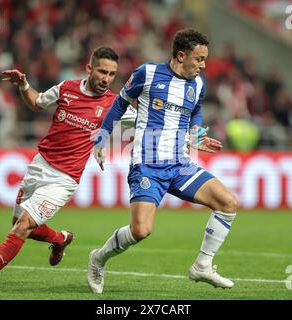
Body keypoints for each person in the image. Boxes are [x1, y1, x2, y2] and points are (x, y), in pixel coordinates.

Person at [0, 46, 136, 289]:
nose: (106, 79)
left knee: (21, 228)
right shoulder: (66, 88)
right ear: (89, 68)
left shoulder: (114, 103)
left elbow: (148, 120)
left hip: (63, 179)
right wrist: (23, 85)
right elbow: (37, 102)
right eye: (102, 71)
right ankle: (61, 239)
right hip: (39, 165)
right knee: (19, 224)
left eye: (112, 74)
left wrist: (188, 136)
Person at [87, 29, 240, 294]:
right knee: (141, 231)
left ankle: (203, 265)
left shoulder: (198, 84)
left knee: (228, 203)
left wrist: (195, 135)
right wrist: (101, 140)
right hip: (148, 165)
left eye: (205, 59)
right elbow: (120, 104)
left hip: (180, 165)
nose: (203, 65)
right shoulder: (147, 74)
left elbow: (196, 111)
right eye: (199, 59)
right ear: (181, 56)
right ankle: (98, 258)